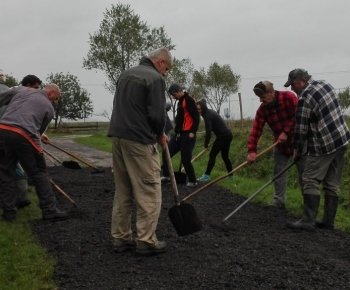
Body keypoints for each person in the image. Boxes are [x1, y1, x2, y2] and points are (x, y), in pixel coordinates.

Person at [108, 47, 172, 255]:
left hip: (117, 137)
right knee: (149, 190)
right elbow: (157, 113)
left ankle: (121, 238)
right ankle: (146, 240)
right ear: (161, 62)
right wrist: (160, 134)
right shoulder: (154, 78)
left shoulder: (126, 74)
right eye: (167, 69)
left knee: (123, 190)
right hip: (139, 140)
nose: (165, 73)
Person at [284, 69, 350, 231]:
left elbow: (300, 130)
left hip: (324, 143)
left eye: (293, 85)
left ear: (302, 81)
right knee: (332, 182)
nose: (292, 89)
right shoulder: (325, 84)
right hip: (342, 139)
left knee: (310, 179)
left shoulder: (305, 98)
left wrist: (297, 152)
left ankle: (308, 220)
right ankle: (328, 221)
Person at [0, 84, 69, 222]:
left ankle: (9, 214)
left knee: (5, 172)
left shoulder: (20, 90)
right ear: (50, 92)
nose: (54, 102)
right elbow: (36, 133)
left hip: (2, 131)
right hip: (24, 136)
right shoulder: (49, 108)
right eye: (55, 99)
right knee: (39, 173)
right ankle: (50, 210)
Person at [247, 81, 298, 209]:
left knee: (305, 175)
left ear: (271, 93)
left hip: (299, 142)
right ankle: (279, 202)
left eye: (263, 97)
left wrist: (286, 132)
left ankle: (308, 209)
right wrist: (252, 150)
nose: (260, 100)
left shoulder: (289, 98)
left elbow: (299, 116)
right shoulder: (263, 109)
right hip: (280, 144)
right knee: (278, 172)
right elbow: (256, 129)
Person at [161, 83, 200, 187]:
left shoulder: (189, 99)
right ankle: (166, 175)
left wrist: (193, 131)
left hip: (188, 134)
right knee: (166, 152)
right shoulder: (179, 102)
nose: (173, 97)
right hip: (179, 134)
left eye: (174, 94)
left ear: (179, 91)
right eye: (172, 95)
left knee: (185, 158)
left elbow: (196, 117)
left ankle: (193, 180)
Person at [196, 99, 233, 181]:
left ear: (203, 108)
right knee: (225, 156)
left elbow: (208, 132)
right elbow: (203, 100)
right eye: (197, 109)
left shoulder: (207, 116)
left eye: (199, 109)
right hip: (228, 135)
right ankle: (231, 176)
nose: (198, 111)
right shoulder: (209, 112)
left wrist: (206, 144)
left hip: (223, 136)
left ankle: (206, 176)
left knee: (212, 155)